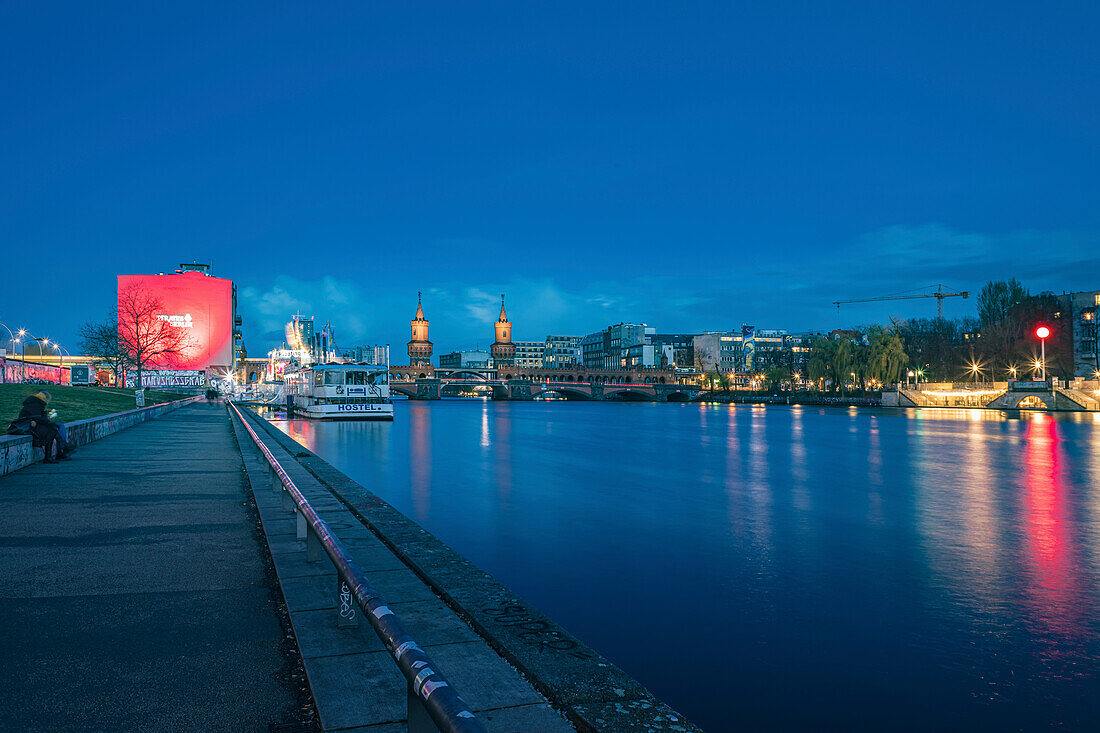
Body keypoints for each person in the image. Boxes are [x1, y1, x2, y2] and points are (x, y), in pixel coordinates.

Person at [7, 391, 73, 463]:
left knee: (53, 429)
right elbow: (37, 418)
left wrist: (46, 419)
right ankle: (60, 450)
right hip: (28, 427)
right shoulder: (35, 405)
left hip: (33, 425)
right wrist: (47, 419)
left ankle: (58, 451)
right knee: (52, 430)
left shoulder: (34, 404)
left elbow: (37, 417)